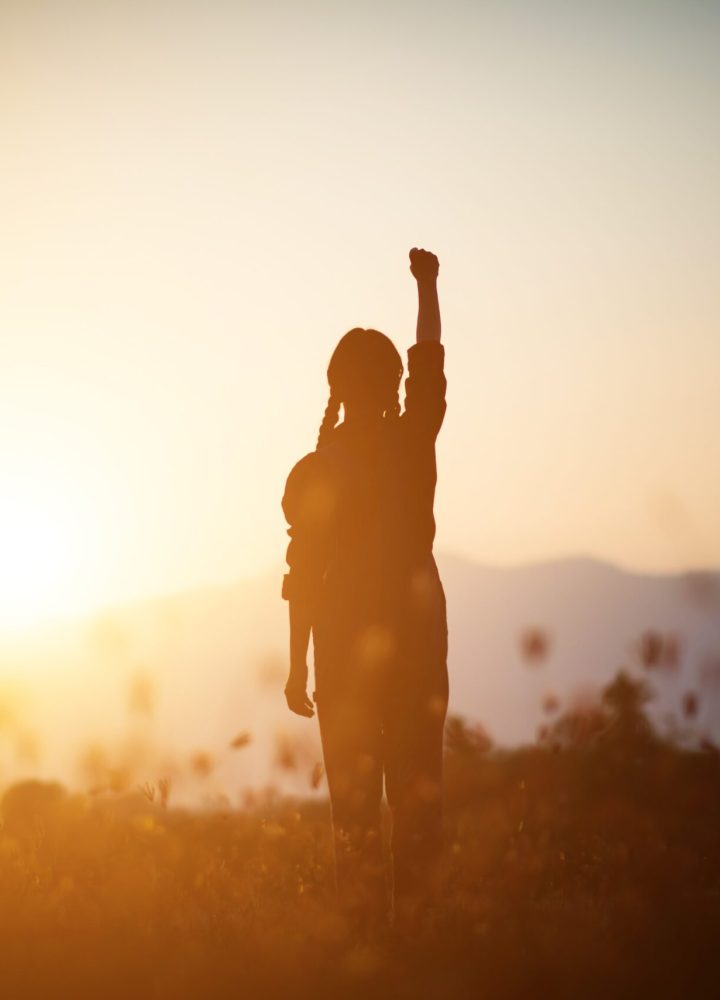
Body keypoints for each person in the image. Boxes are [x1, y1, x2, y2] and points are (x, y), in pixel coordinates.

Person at [280, 248, 449, 931]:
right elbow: (431, 361)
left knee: (353, 806)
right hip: (418, 639)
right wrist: (428, 287)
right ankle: (424, 938)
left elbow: (303, 580)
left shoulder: (318, 468)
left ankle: (364, 948)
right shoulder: (416, 440)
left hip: (344, 653)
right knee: (419, 796)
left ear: (338, 387)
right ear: (391, 386)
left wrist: (297, 668)